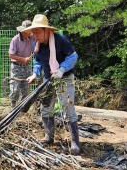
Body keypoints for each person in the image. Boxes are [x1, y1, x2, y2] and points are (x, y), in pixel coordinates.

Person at [23, 14, 80, 155]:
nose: (34, 35)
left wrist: (61, 69)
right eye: (33, 31)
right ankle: (49, 136)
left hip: (64, 78)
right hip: (48, 79)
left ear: (46, 31)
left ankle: (75, 143)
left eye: (37, 31)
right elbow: (37, 61)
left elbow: (73, 56)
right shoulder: (36, 44)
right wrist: (35, 74)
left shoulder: (60, 40)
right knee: (46, 107)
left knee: (67, 107)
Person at [8, 20, 35, 108]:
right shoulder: (15, 40)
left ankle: (23, 109)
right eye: (29, 30)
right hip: (16, 67)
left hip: (26, 67)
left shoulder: (32, 38)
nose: (31, 31)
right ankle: (13, 107)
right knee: (15, 89)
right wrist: (23, 59)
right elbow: (11, 55)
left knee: (26, 89)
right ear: (23, 30)